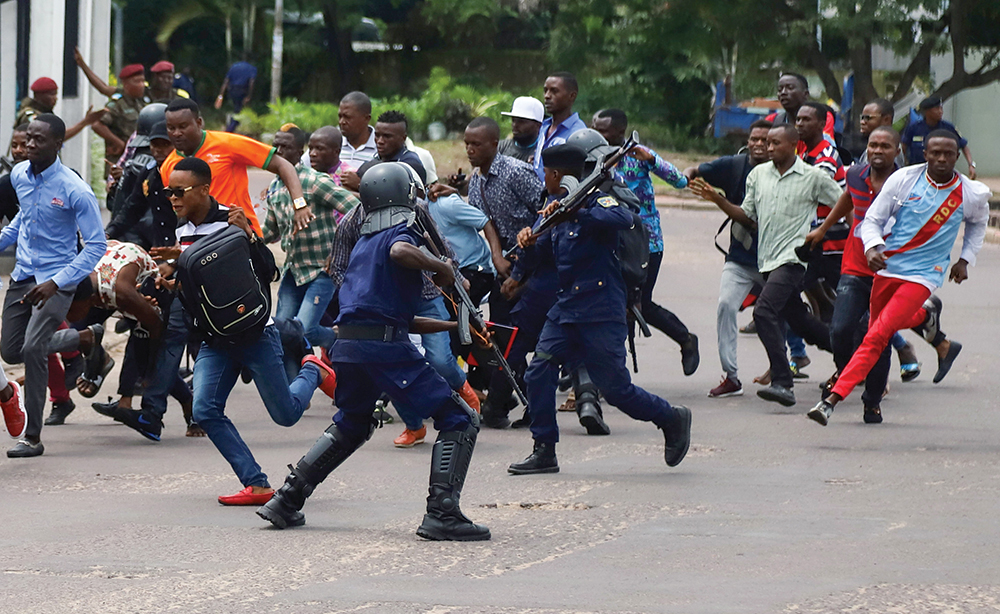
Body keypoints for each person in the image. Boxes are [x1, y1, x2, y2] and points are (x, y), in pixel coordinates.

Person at [257, 162, 491, 542]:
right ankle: (442, 513)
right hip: (381, 348)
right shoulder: (400, 233)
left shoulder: (364, 241)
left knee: (353, 422)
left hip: (351, 345)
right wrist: (440, 266)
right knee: (460, 418)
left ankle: (287, 498)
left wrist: (454, 326)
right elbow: (402, 251)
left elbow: (398, 318)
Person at [158, 156, 338, 503]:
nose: (173, 198)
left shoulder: (232, 219)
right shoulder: (181, 230)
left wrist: (250, 236)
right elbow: (202, 285)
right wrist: (174, 282)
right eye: (169, 192)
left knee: (285, 416)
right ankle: (257, 483)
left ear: (204, 190)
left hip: (255, 333)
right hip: (215, 338)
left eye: (179, 191)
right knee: (205, 410)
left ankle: (312, 369)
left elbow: (269, 272)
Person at [507, 144, 691, 474]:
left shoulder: (595, 200)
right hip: (565, 310)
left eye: (545, 173)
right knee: (539, 372)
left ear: (555, 174)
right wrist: (528, 242)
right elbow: (543, 259)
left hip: (600, 310)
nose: (543, 179)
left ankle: (671, 417)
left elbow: (624, 218)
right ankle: (544, 449)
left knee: (616, 390)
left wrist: (574, 212)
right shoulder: (551, 207)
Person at [807, 130, 990, 425]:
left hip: (923, 276)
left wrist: (965, 259)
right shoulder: (904, 180)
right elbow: (872, 221)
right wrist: (872, 247)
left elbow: (979, 224)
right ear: (925, 155)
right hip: (887, 268)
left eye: (948, 154)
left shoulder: (970, 193)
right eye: (935, 153)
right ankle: (921, 318)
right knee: (875, 337)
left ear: (957, 157)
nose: (942, 159)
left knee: (877, 333)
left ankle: (832, 400)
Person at [690, 124, 841, 407]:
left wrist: (822, 230)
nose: (769, 148)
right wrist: (717, 199)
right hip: (766, 261)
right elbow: (746, 215)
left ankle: (783, 383)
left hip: (794, 259)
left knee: (763, 312)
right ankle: (853, 356)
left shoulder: (813, 177)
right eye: (766, 143)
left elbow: (845, 202)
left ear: (794, 145)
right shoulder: (758, 175)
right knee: (802, 322)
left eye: (775, 143)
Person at [1, 114, 107, 458]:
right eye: (28, 138)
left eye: (38, 140)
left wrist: (56, 282)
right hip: (23, 275)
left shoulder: (75, 189)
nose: (30, 145)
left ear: (58, 144)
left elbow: (95, 245)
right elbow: (23, 219)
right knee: (11, 351)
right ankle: (83, 338)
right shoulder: (19, 175)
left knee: (33, 349)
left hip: (58, 279)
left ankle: (32, 436)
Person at [590, 109, 700, 376]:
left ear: (619, 132)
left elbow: (680, 180)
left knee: (643, 305)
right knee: (609, 304)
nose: (598, 135)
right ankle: (603, 370)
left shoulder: (637, 155)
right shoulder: (592, 157)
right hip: (609, 242)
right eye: (595, 128)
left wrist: (652, 160)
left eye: (603, 130)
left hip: (645, 243)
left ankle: (686, 339)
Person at [685, 119, 771, 398]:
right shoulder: (735, 166)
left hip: (775, 260)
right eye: (754, 139)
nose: (758, 144)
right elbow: (696, 169)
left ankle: (784, 368)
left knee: (784, 316)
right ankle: (732, 376)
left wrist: (718, 200)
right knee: (725, 306)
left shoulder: (785, 172)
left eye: (765, 140)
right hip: (741, 258)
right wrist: (686, 176)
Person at [264, 125, 357, 358]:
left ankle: (344, 338)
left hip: (321, 271)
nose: (278, 150)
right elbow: (271, 231)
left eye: (285, 146)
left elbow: (356, 210)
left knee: (304, 330)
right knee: (281, 331)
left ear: (299, 151)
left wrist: (340, 252)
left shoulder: (315, 181)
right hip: (293, 271)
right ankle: (291, 387)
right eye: (275, 145)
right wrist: (244, 232)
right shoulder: (275, 188)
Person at [160, 97, 312, 237]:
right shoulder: (168, 167)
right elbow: (179, 213)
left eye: (183, 126)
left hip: (240, 236)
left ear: (199, 123)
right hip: (200, 244)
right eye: (171, 128)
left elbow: (283, 165)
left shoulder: (227, 144)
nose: (177, 133)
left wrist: (299, 204)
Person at [465, 116, 543, 325]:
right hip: (506, 263)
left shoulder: (515, 172)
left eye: (476, 144)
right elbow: (484, 222)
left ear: (494, 144)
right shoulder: (475, 181)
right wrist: (497, 256)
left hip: (535, 260)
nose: (470, 150)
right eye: (467, 144)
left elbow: (546, 211)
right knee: (501, 329)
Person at [901, 96, 976, 179]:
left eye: (941, 108)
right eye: (937, 109)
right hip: (916, 173)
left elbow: (964, 146)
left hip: (941, 173)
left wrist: (971, 165)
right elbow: (904, 145)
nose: (941, 112)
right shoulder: (913, 128)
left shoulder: (948, 128)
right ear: (927, 111)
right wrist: (905, 162)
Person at [532, 72, 587, 180]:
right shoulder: (543, 127)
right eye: (545, 90)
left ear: (572, 96)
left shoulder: (578, 134)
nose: (547, 96)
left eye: (554, 91)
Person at [12, 78, 104, 141]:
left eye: (56, 94)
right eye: (51, 94)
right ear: (38, 96)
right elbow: (55, 136)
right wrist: (84, 122)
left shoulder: (45, 112)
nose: (55, 98)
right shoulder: (29, 115)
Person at [92, 64, 152, 160]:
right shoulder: (117, 104)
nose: (142, 85)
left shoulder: (141, 102)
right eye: (137, 81)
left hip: (139, 156)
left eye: (142, 81)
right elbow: (97, 125)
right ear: (126, 84)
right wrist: (118, 142)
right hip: (120, 158)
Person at [359, 111, 426, 184]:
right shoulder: (374, 159)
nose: (380, 141)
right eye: (377, 135)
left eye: (387, 136)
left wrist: (359, 184)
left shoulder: (411, 165)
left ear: (403, 138)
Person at [766, 72, 835, 138]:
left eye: (790, 88)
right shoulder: (772, 120)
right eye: (780, 89)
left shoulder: (823, 117)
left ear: (805, 94)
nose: (783, 92)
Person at [337, 91, 378, 188]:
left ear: (366, 119)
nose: (341, 122)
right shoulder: (331, 142)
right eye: (340, 116)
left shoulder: (381, 147)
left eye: (348, 117)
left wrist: (360, 184)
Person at [857, 98, 905, 168]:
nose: (862, 122)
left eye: (868, 118)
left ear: (886, 120)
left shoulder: (892, 149)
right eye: (862, 118)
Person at [498, 96, 544, 164]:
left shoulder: (542, 153)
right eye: (513, 120)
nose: (515, 125)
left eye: (521, 122)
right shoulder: (501, 147)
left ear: (538, 125)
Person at [215, 58, 257, 132]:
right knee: (238, 110)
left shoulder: (234, 66)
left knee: (236, 108)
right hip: (243, 90)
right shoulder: (252, 68)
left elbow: (226, 81)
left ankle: (231, 125)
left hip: (232, 90)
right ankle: (230, 128)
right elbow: (251, 82)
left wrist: (221, 95)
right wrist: (249, 96)